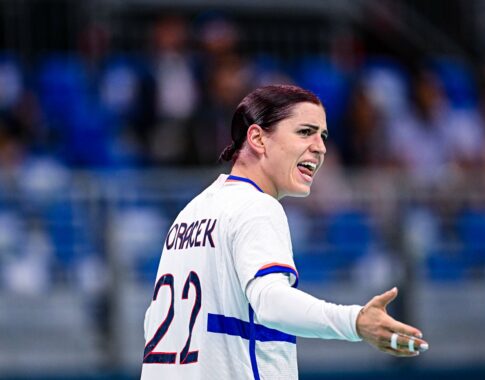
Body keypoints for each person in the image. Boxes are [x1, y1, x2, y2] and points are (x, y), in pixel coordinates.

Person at [140, 84, 428, 379]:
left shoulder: (189, 215)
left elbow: (153, 324)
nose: (320, 147)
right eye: (305, 132)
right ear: (257, 138)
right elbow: (270, 301)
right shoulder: (256, 207)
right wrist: (354, 322)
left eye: (323, 135)